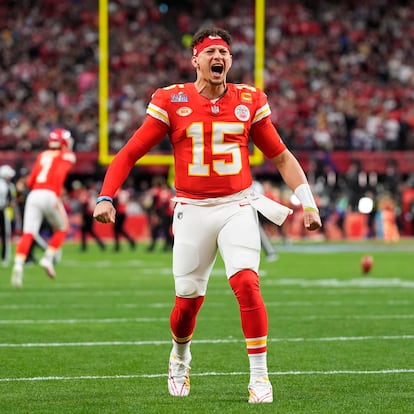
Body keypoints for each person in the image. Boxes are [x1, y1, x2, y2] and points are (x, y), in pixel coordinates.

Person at [93, 27, 321, 403]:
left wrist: (308, 202)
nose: (219, 58)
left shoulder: (249, 99)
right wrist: (106, 196)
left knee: (247, 283)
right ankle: (180, 356)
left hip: (238, 206)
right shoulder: (171, 99)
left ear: (230, 60)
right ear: (195, 59)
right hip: (192, 209)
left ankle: (260, 378)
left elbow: (280, 155)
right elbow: (130, 151)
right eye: (211, 51)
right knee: (187, 300)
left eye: (225, 53)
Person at [11, 128, 76, 288]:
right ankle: (47, 258)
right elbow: (60, 173)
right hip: (50, 194)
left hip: (34, 194)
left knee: (28, 233)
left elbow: (31, 181)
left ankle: (18, 264)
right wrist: (57, 193)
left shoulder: (42, 155)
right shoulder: (66, 155)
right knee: (62, 229)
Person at [0, 165, 17, 266]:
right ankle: (5, 257)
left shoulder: (10, 186)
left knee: (6, 234)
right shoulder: (6, 186)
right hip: (3, 209)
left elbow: (12, 200)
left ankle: (5, 257)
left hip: (4, 210)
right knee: (6, 234)